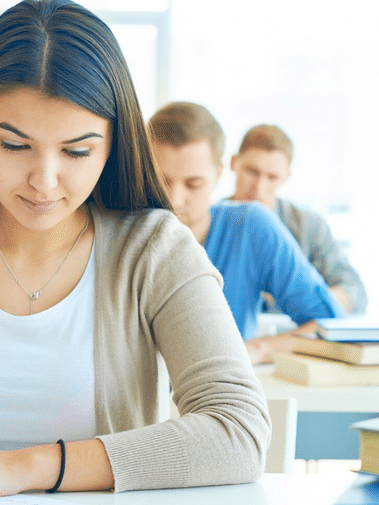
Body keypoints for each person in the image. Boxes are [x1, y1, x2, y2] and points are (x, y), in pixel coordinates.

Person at [0, 0, 270, 498]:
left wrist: (20, 469)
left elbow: (238, 432)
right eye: (14, 146)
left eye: (77, 151)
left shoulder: (153, 250)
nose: (44, 181)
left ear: (113, 144)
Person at [148, 102, 346, 365]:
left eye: (194, 184)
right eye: (162, 180)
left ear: (219, 174)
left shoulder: (251, 227)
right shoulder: (117, 231)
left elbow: (331, 327)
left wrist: (256, 350)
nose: (174, 200)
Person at [230, 124, 368, 314]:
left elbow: (355, 292)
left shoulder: (309, 226)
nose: (259, 187)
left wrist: (302, 296)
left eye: (272, 177)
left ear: (286, 177)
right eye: (252, 172)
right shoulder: (206, 222)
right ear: (233, 163)